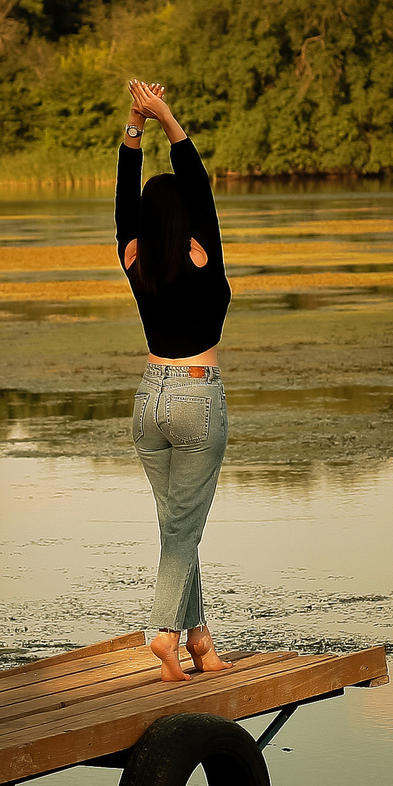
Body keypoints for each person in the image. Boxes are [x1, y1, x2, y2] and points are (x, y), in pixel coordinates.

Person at [115, 79, 233, 682]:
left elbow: (122, 200)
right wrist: (169, 120)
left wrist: (135, 128)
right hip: (195, 396)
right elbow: (201, 186)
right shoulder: (201, 253)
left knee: (176, 529)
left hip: (148, 400)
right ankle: (163, 634)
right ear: (185, 217)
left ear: (142, 221)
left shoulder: (133, 256)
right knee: (183, 530)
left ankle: (200, 643)